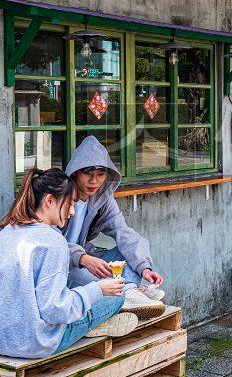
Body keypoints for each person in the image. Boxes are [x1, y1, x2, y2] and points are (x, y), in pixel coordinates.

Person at [0, 168, 136, 359]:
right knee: (117, 298)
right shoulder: (54, 241)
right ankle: (92, 326)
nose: (72, 212)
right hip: (32, 343)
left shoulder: (6, 233)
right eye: (70, 203)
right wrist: (98, 289)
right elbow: (55, 310)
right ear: (49, 201)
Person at [63, 136, 166, 317]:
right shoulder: (58, 196)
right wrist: (83, 258)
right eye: (88, 173)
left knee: (128, 251)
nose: (94, 181)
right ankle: (127, 292)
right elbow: (49, 244)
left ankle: (130, 290)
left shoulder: (102, 199)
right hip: (63, 265)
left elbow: (122, 231)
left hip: (86, 258)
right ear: (75, 172)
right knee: (82, 276)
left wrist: (144, 268)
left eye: (100, 174)